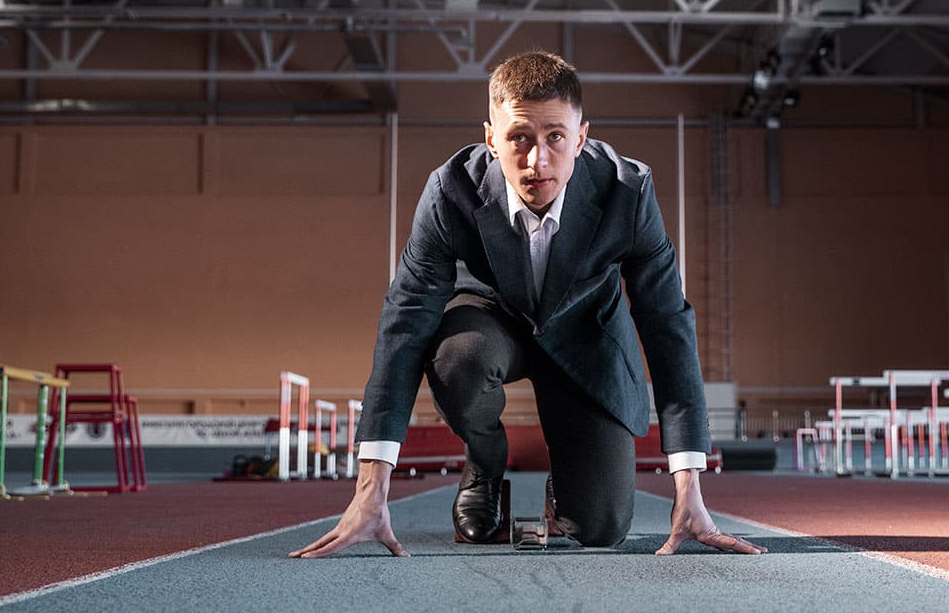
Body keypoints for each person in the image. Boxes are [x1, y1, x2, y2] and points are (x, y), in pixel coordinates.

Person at [291, 51, 765, 558]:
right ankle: (485, 462)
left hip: (587, 333)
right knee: (457, 362)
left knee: (601, 527)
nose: (537, 160)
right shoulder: (450, 191)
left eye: (556, 138)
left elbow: (667, 321)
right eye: (519, 137)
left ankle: (567, 490)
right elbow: (405, 321)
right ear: (491, 138)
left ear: (581, 138)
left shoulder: (629, 191)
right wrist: (370, 491)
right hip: (492, 322)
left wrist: (689, 489)